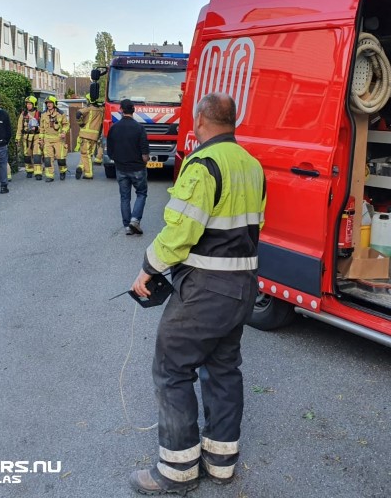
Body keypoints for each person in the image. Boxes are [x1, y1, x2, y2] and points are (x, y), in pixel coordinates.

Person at [128, 93, 266, 495]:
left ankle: (177, 469)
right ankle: (221, 463)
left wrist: (148, 268)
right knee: (223, 368)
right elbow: (255, 223)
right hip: (243, 287)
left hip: (206, 289)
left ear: (201, 119)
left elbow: (181, 232)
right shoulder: (252, 166)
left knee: (172, 370)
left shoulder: (203, 165)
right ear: (232, 121)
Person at [106, 99, 149, 235]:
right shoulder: (139, 128)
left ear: (121, 110)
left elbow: (110, 151)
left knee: (125, 197)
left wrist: (119, 161)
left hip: (121, 168)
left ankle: (127, 226)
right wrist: (144, 162)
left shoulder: (114, 128)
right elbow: (144, 153)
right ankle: (135, 220)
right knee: (141, 193)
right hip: (137, 168)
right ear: (133, 110)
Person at [75, 93, 104, 180]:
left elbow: (78, 113)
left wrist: (80, 123)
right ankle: (81, 166)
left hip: (86, 135)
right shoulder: (101, 110)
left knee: (84, 154)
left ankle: (88, 173)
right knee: (89, 154)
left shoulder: (88, 109)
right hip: (95, 136)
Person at [40, 95, 68, 182]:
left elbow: (66, 124)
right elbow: (41, 128)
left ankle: (62, 172)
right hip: (47, 140)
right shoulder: (43, 114)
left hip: (58, 139)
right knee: (48, 159)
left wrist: (63, 132)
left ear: (54, 104)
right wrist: (41, 139)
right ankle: (50, 175)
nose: (48, 104)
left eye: (50, 103)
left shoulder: (61, 113)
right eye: (47, 103)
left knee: (60, 158)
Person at [16, 95, 43, 180]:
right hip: (26, 138)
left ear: (34, 104)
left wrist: (38, 129)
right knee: (27, 155)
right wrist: (17, 138)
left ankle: (38, 172)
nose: (28, 105)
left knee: (37, 155)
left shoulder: (39, 114)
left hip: (36, 136)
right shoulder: (23, 114)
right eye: (27, 104)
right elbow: (19, 127)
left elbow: (43, 127)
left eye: (30, 104)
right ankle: (29, 170)